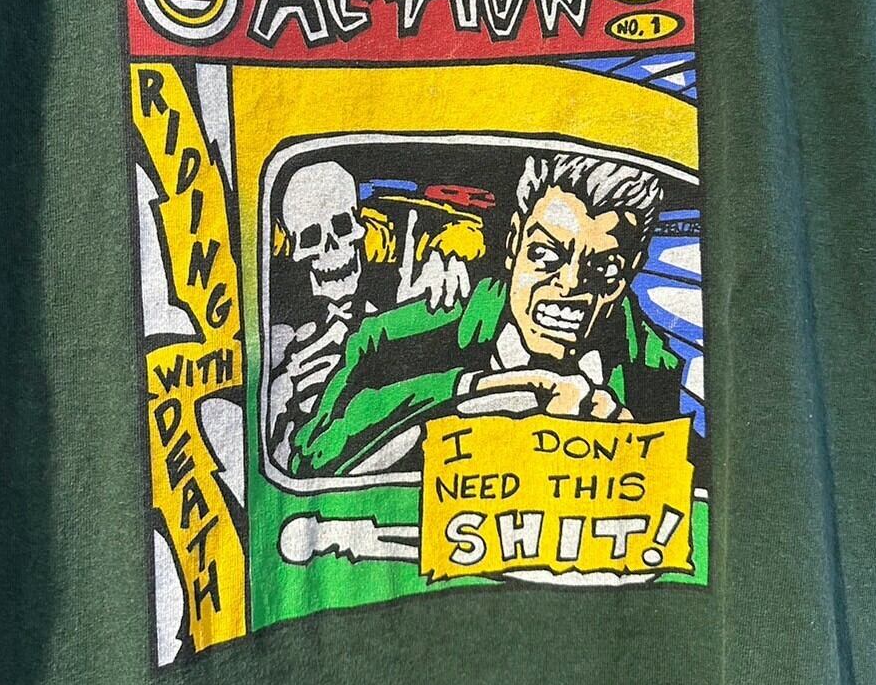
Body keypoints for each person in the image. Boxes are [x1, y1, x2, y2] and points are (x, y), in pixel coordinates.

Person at [289, 151, 682, 476]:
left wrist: (636, 452)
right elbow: (310, 455)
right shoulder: (395, 338)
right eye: (545, 255)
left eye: (604, 268)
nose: (570, 284)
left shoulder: (649, 364)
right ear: (513, 244)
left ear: (629, 272)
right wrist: (473, 391)